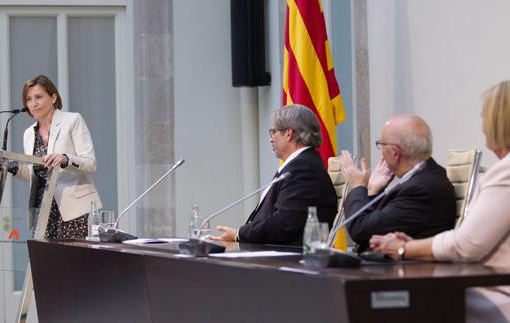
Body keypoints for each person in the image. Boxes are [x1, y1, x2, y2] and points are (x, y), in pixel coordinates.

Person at [370, 80, 510, 322]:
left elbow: (466, 245)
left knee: (391, 306)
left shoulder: (506, 172)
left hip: (496, 293)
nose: (483, 127)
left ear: (498, 121)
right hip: (485, 283)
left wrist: (404, 248)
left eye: (483, 117)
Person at [210, 104, 338, 245]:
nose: (271, 139)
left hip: (288, 260)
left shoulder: (304, 169)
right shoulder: (298, 165)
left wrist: (239, 234)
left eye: (273, 132)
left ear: (289, 134)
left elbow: (283, 224)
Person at [340, 114, 456, 251]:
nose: (381, 153)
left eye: (380, 145)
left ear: (395, 152)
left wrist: (357, 186)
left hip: (403, 270)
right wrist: (373, 191)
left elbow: (361, 230)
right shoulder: (422, 178)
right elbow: (380, 223)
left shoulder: (421, 190)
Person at [10, 74, 101, 239]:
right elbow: (36, 173)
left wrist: (65, 159)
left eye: (38, 97)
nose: (33, 103)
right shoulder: (29, 133)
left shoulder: (73, 120)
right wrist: (11, 168)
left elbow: (90, 164)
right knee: (45, 263)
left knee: (76, 263)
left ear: (53, 97)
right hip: (42, 210)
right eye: (28, 99)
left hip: (74, 209)